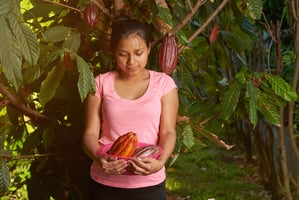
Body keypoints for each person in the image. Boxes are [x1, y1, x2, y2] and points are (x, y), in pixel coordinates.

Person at [82, 15, 179, 200]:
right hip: (105, 183)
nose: (131, 62)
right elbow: (89, 134)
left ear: (149, 48)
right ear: (113, 52)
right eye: (123, 54)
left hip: (149, 183)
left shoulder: (164, 84)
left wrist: (160, 162)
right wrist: (99, 159)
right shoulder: (100, 83)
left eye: (138, 53)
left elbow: (168, 132)